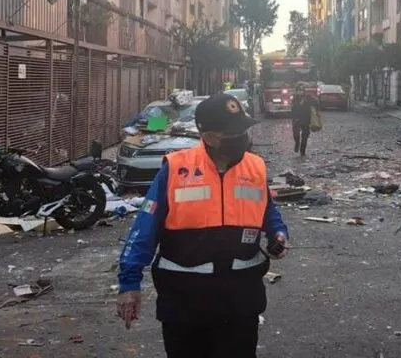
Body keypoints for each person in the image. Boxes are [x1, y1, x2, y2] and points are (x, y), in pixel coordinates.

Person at [116, 92, 288, 358]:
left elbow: (268, 210)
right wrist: (129, 284)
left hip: (241, 299)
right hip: (185, 300)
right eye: (235, 133)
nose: (243, 138)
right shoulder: (177, 168)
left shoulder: (254, 167)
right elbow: (144, 229)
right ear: (210, 138)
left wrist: (278, 232)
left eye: (244, 129)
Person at [290, 83, 318, 158]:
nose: (300, 92)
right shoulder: (294, 98)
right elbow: (293, 108)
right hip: (296, 119)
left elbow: (316, 103)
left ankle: (302, 151)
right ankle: (297, 143)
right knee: (296, 134)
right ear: (296, 91)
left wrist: (312, 99)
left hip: (306, 119)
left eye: (301, 90)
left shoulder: (308, 97)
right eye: (298, 90)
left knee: (305, 136)